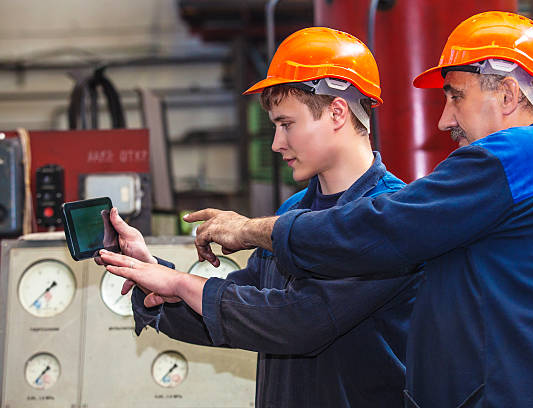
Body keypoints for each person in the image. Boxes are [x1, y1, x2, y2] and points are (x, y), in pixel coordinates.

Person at [186, 12, 533, 408]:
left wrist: (251, 231)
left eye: (455, 97)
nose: (444, 120)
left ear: (507, 93)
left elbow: (382, 227)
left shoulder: (516, 155)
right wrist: (164, 283)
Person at [100, 27, 422, 407]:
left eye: (287, 124)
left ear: (337, 111)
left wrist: (183, 284)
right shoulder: (291, 213)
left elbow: (300, 322)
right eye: (275, 126)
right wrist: (150, 272)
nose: (276, 143)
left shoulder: (393, 217)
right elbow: (241, 312)